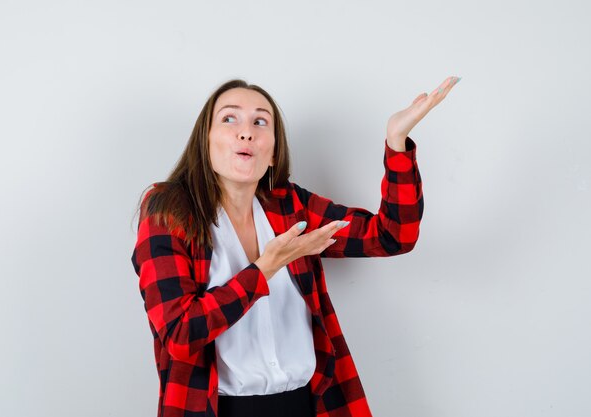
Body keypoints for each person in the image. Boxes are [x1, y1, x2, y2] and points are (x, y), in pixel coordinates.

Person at [131, 76, 460, 417]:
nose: (246, 132)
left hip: (307, 405)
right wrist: (266, 267)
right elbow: (180, 333)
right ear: (206, 141)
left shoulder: (289, 206)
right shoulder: (168, 209)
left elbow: (393, 235)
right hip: (218, 410)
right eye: (230, 118)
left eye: (261, 122)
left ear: (273, 152)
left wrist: (396, 141)